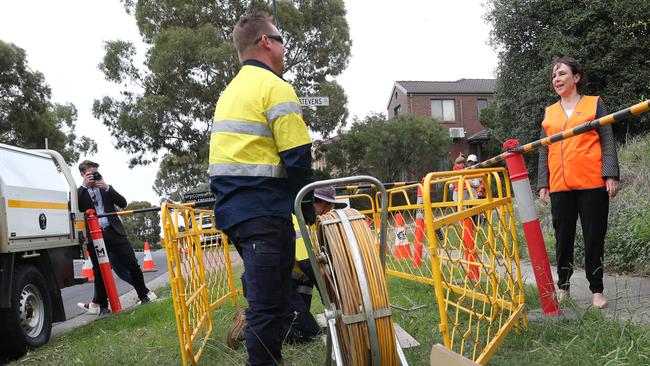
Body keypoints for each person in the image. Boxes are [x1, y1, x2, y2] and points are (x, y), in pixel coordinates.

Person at [209, 13, 315, 366]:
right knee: (268, 309)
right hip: (263, 213)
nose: (285, 47)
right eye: (281, 38)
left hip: (239, 213)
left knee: (273, 297)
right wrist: (310, 209)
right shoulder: (274, 87)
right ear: (266, 42)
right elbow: (298, 157)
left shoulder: (230, 92)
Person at [537, 57, 620, 309]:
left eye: (562, 74)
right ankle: (563, 286)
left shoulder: (595, 104)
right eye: (554, 76)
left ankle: (597, 290)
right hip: (560, 185)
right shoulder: (549, 113)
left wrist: (611, 173)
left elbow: (607, 139)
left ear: (576, 78)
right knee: (563, 238)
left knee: (594, 236)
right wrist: (543, 182)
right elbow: (543, 150)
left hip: (592, 182)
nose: (557, 79)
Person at [77, 160, 156, 317]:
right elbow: (76, 206)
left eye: (95, 173)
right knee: (99, 272)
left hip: (114, 232)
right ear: (82, 174)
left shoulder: (105, 188)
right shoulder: (80, 191)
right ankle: (103, 307)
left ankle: (144, 296)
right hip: (95, 236)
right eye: (89, 174)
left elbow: (123, 202)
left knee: (132, 264)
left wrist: (106, 187)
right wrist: (84, 186)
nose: (93, 177)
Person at [283, 187, 347, 344]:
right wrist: (334, 299)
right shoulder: (297, 219)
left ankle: (280, 322)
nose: (330, 211)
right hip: (279, 283)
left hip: (296, 281)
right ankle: (250, 319)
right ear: (319, 203)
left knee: (299, 331)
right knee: (312, 334)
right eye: (330, 206)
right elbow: (308, 265)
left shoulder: (312, 223)